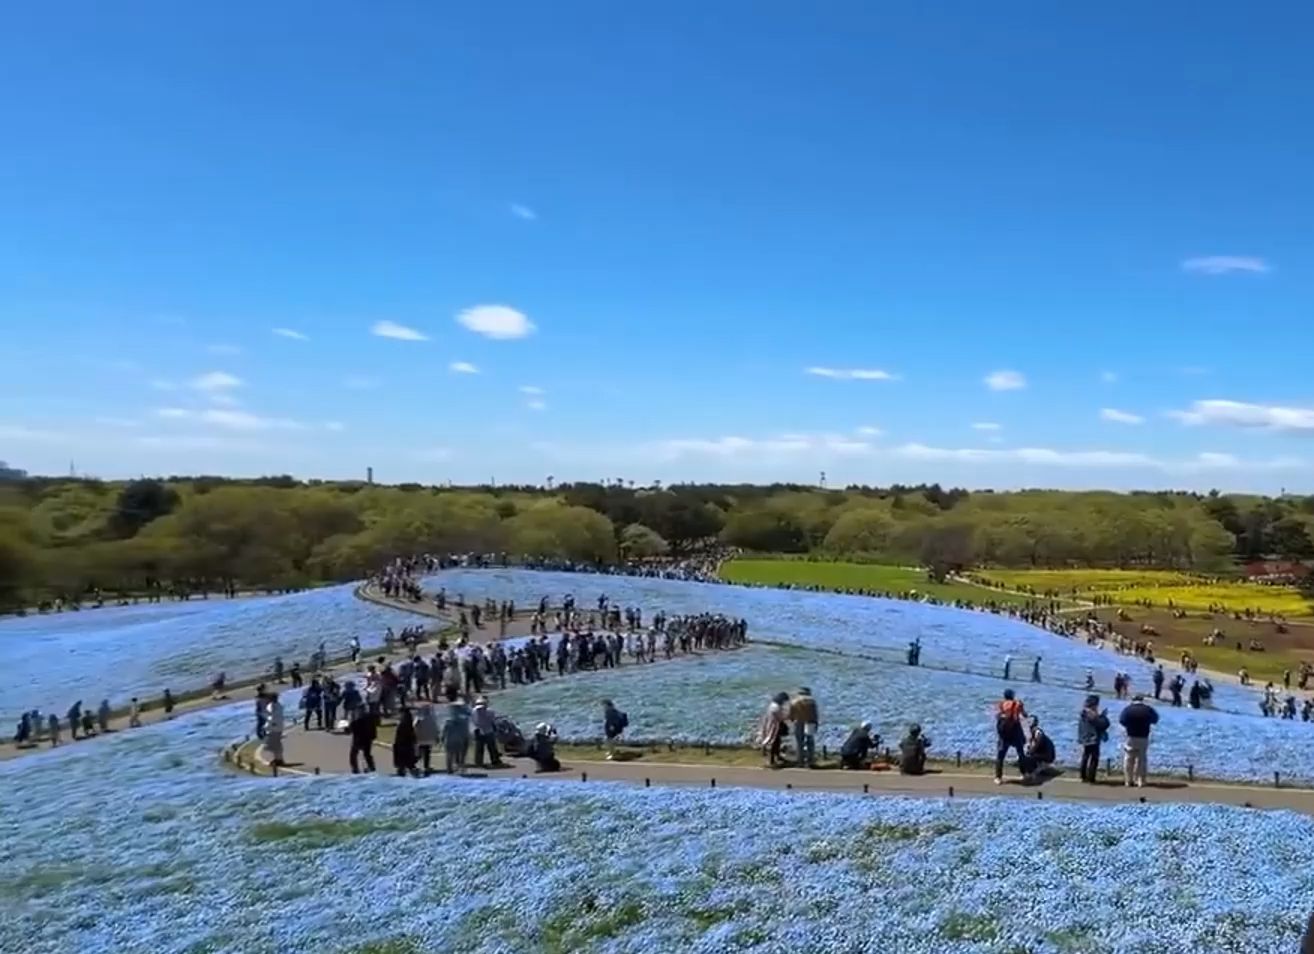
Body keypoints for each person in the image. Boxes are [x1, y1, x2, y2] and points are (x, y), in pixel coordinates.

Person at [1119, 694, 1159, 788]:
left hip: (1131, 736)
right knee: (1141, 759)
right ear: (1142, 700)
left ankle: (1128, 781)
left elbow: (1122, 721)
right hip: (1143, 736)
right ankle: (1140, 781)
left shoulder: (1127, 709)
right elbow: (1155, 719)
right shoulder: (1148, 709)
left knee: (1129, 758)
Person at [994, 689, 1028, 784]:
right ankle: (1024, 774)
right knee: (1020, 752)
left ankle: (998, 777)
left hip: (1004, 732)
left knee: (1001, 755)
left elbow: (997, 716)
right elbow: (1024, 715)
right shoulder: (1017, 704)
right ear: (1012, 695)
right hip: (1015, 730)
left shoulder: (1001, 704)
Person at [1076, 694, 1110, 784]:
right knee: (1094, 758)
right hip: (1093, 738)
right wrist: (1103, 716)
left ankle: (1083, 776)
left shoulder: (1084, 712)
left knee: (1085, 756)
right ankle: (1091, 777)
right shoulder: (1091, 713)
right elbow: (1102, 724)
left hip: (1085, 737)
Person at [442, 686, 471, 775]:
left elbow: (444, 728)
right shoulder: (463, 716)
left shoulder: (448, 716)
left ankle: (450, 769)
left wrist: (442, 737)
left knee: (450, 753)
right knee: (461, 753)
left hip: (451, 736)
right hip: (461, 736)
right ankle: (460, 767)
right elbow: (469, 713)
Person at [757, 692, 790, 768]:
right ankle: (772, 760)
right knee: (774, 742)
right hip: (775, 726)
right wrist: (787, 716)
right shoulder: (777, 707)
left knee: (776, 742)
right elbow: (780, 717)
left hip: (771, 724)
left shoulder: (772, 705)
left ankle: (776, 757)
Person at [790, 687, 819, 768]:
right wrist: (816, 722)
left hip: (798, 722)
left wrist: (792, 720)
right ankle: (810, 761)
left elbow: (791, 713)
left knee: (799, 743)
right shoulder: (812, 701)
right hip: (810, 722)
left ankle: (800, 761)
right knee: (810, 742)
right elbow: (815, 714)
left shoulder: (795, 701)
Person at [472, 697, 504, 768]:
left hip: (483, 730)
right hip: (484, 730)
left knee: (485, 747)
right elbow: (492, 721)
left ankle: (483, 761)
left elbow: (474, 722)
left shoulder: (475, 711)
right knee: (486, 747)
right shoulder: (487, 711)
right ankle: (491, 761)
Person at [349, 708, 378, 774]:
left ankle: (355, 768)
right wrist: (373, 737)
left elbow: (351, 729)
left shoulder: (357, 721)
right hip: (368, 740)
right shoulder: (370, 719)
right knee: (367, 754)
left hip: (358, 740)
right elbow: (374, 730)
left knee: (353, 754)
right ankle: (371, 767)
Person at [414, 703, 439, 775]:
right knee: (425, 752)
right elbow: (435, 728)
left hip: (422, 738)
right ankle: (424, 766)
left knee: (422, 752)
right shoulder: (431, 717)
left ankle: (424, 766)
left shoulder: (419, 717)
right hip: (426, 738)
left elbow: (414, 726)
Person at [393, 707, 418, 777]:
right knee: (410, 764)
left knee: (403, 764)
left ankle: (402, 774)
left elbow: (400, 735)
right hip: (408, 745)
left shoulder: (403, 723)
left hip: (402, 745)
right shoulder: (409, 722)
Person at [263, 695, 286, 767]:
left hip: (273, 727)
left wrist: (268, 726)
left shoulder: (272, 706)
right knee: (277, 744)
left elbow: (271, 716)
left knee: (274, 744)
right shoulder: (279, 705)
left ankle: (278, 759)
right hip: (278, 727)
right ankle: (278, 759)